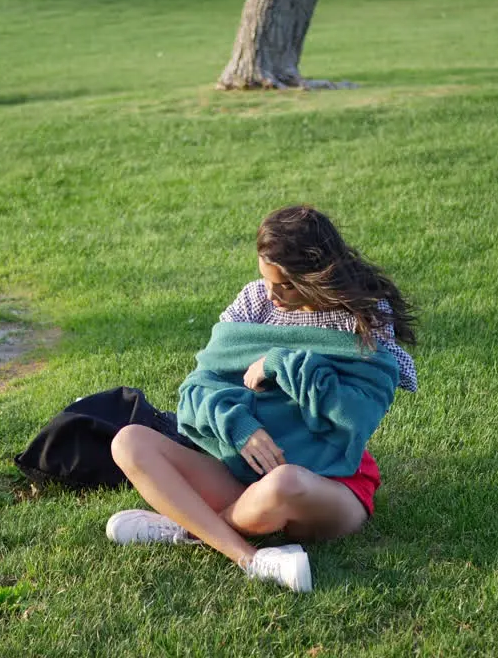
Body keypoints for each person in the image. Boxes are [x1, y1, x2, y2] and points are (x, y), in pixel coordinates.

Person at [106, 205, 418, 592]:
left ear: (317, 274)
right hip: (244, 472)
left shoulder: (360, 318)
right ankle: (250, 558)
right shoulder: (255, 301)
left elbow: (355, 415)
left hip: (327, 485)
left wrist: (280, 361)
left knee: (285, 482)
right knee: (129, 441)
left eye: (286, 284)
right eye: (266, 279)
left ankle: (189, 525)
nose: (273, 295)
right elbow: (197, 389)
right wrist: (240, 427)